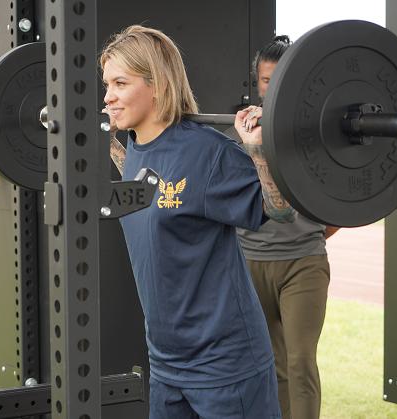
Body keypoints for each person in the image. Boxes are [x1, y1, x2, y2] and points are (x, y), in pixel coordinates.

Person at [100, 25, 293, 419]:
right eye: (107, 84)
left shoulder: (208, 153)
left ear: (157, 85)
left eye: (120, 82)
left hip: (227, 367)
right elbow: (146, 191)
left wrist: (257, 152)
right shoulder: (134, 148)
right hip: (167, 366)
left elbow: (279, 209)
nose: (108, 96)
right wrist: (102, 143)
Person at [236, 35, 339, 419]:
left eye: (280, 78)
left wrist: (309, 234)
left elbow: (339, 200)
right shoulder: (242, 128)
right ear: (257, 83)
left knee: (300, 363)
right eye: (266, 80)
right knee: (271, 365)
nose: (272, 86)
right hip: (250, 264)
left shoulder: (320, 131)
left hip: (303, 264)